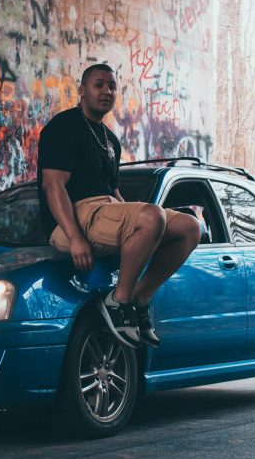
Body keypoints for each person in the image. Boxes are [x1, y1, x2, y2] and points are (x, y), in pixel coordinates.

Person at [36, 63, 202, 348]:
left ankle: (138, 299)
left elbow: (113, 192)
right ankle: (118, 300)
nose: (106, 91)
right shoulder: (64, 127)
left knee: (190, 227)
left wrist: (146, 233)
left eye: (112, 86)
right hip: (75, 216)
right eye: (98, 85)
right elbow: (53, 186)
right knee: (152, 216)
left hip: (105, 210)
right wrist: (75, 238)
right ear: (82, 91)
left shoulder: (109, 138)